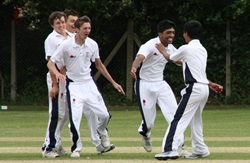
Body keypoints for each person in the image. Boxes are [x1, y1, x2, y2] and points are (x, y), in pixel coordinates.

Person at [47, 15, 125, 158]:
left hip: (89, 84)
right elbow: (50, 63)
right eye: (84, 28)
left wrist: (114, 83)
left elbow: (99, 65)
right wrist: (57, 74)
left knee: (104, 115)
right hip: (74, 86)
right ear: (76, 29)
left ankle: (102, 132)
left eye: (89, 28)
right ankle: (76, 148)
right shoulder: (66, 45)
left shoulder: (92, 44)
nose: (87, 31)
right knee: (75, 118)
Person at [154, 20, 223, 160]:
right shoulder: (202, 49)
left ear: (185, 34)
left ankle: (170, 149)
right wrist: (210, 84)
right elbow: (197, 71)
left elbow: (171, 58)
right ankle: (200, 149)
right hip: (203, 88)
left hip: (194, 89)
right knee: (195, 120)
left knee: (178, 119)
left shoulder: (186, 48)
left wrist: (162, 50)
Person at [130, 20, 189, 157]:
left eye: (173, 32)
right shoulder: (150, 44)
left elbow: (178, 61)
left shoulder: (170, 47)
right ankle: (145, 133)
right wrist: (134, 67)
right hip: (144, 84)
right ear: (160, 34)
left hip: (161, 84)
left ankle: (180, 146)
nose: (171, 35)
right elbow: (140, 57)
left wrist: (188, 62)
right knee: (149, 122)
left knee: (175, 116)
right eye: (168, 32)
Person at [42, 11, 73, 158]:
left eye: (62, 21)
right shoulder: (51, 39)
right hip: (56, 80)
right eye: (57, 23)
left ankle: (57, 143)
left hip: (68, 79)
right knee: (56, 114)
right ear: (53, 25)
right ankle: (48, 147)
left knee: (65, 114)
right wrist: (55, 85)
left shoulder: (71, 36)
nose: (61, 25)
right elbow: (50, 63)